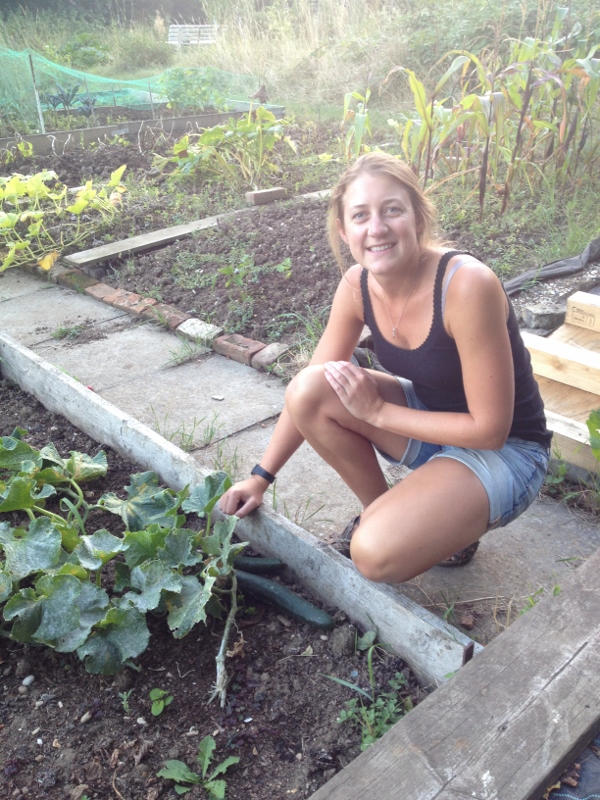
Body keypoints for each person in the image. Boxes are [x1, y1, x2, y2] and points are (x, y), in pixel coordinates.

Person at [219, 151, 552, 583]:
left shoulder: (467, 285)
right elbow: (307, 391)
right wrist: (260, 478)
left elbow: (490, 430)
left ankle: (425, 526)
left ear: (417, 216)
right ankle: (391, 513)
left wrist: (377, 413)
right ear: (344, 229)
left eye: (391, 210)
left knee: (372, 555)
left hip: (508, 450)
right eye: (360, 216)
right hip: (433, 422)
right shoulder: (356, 286)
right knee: (312, 389)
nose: (376, 228)